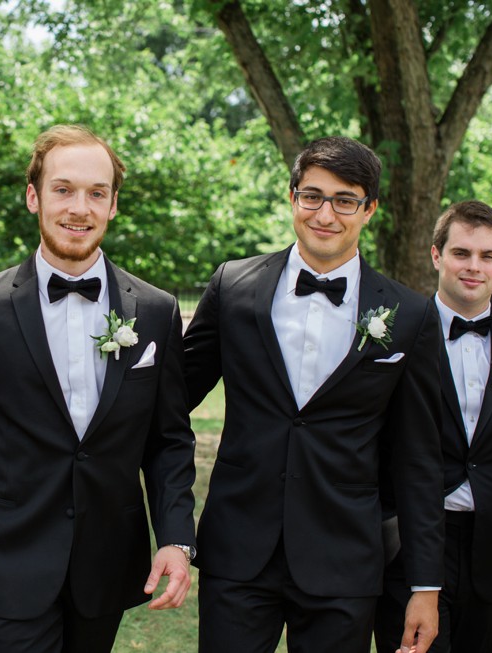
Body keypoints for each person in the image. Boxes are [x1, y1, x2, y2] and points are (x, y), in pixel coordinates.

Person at [0, 124, 196, 653]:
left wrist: (176, 539)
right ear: (34, 196)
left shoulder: (156, 311)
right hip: (6, 558)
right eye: (63, 189)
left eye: (97, 193)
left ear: (114, 205)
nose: (80, 208)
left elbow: (169, 441)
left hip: (107, 562)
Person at [183, 136, 445, 653]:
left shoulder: (410, 316)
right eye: (312, 196)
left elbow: (419, 461)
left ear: (369, 209)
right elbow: (170, 402)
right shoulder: (233, 287)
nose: (325, 214)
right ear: (292, 197)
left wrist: (425, 585)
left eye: (344, 200)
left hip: (344, 558)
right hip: (238, 551)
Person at [373, 200, 492, 652]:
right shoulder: (396, 338)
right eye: (461, 253)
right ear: (436, 255)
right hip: (410, 544)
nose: (473, 267)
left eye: (487, 256)